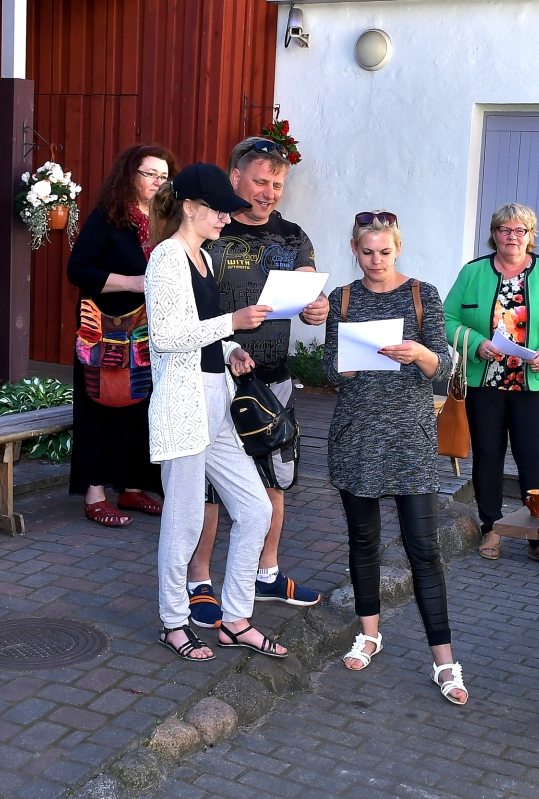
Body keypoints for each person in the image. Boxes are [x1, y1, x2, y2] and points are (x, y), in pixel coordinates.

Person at [323, 211, 469, 705]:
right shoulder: (343, 298)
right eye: (367, 252)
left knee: (423, 549)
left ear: (398, 248)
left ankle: (444, 661)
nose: (376, 260)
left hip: (410, 438)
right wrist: (349, 362)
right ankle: (369, 634)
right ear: (354, 249)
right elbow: (329, 367)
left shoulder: (422, 294)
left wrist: (418, 354)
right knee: (363, 542)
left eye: (385, 252)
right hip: (358, 437)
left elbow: (442, 365)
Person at [185, 137, 330, 628]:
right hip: (212, 375)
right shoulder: (211, 231)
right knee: (207, 488)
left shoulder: (292, 235)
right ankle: (199, 581)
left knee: (275, 480)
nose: (269, 193)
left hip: (274, 381)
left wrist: (316, 308)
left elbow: (310, 292)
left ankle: (265, 574)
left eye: (278, 184)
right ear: (235, 178)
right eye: (261, 182)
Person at [145, 162, 284, 662]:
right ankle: (173, 622)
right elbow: (166, 337)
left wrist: (231, 350)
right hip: (183, 407)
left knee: (256, 510)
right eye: (219, 211)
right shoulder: (166, 258)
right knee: (183, 522)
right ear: (189, 207)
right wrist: (232, 322)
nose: (226, 219)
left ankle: (236, 619)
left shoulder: (202, 257)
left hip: (216, 400)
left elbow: (198, 331)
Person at [443, 203, 539, 571]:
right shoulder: (473, 272)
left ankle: (538, 538)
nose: (512, 237)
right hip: (485, 384)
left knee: (535, 463)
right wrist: (475, 343)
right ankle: (492, 529)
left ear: (530, 236)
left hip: (530, 387)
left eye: (520, 230)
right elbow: (447, 318)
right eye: (504, 230)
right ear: (494, 234)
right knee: (488, 457)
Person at [67, 144, 176, 526]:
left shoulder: (166, 222)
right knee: (100, 407)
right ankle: (94, 494)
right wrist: (132, 282)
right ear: (130, 175)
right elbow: (78, 270)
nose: (157, 181)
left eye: (164, 176)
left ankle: (132, 487)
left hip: (149, 333)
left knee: (142, 409)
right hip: (105, 333)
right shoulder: (108, 217)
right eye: (150, 174)